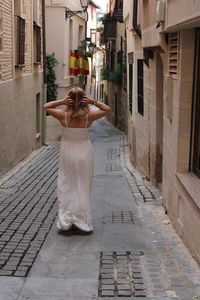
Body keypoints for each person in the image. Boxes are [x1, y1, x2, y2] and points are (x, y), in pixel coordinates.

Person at [43, 87, 111, 233]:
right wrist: (93, 101)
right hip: (84, 152)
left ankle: (67, 219)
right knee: (83, 184)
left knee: (67, 183)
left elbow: (46, 106)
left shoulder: (63, 115)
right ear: (84, 100)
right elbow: (107, 109)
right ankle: (81, 219)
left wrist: (62, 101)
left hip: (67, 152)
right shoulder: (89, 116)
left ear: (69, 99)